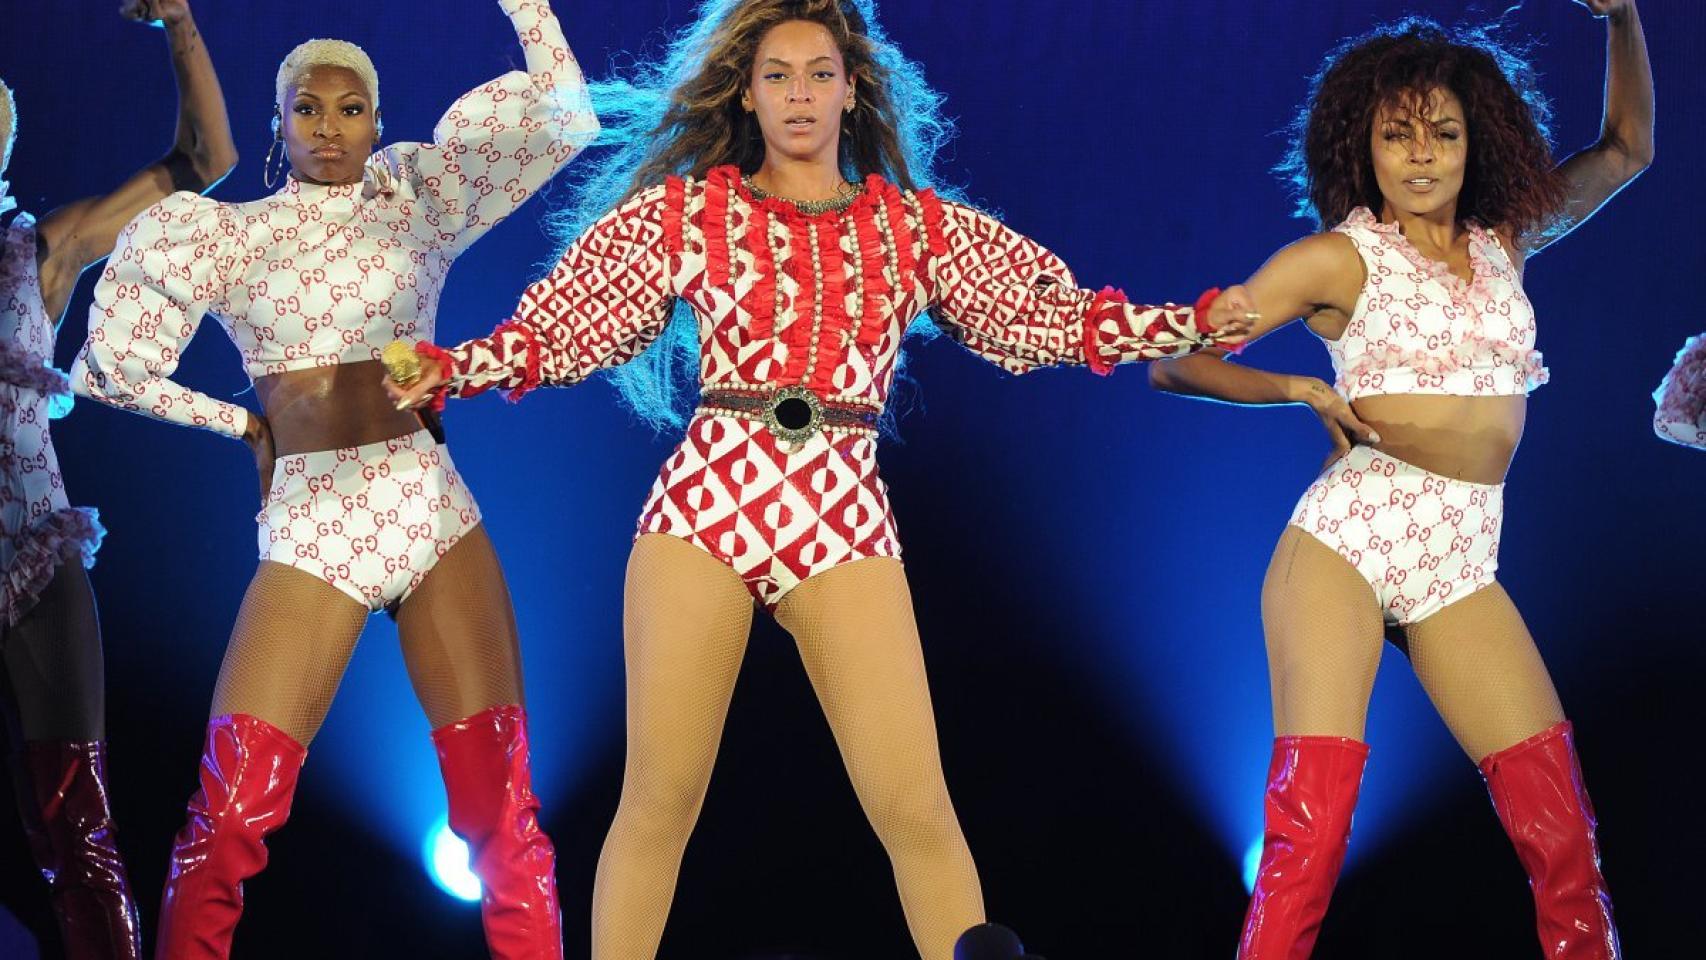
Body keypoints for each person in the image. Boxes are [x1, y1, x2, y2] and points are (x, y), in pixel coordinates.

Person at [387, 2, 1250, 956]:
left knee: (916, 804)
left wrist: (1190, 324)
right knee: (660, 799)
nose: (800, 95)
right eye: (778, 77)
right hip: (707, 501)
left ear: (852, 89)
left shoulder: (911, 229)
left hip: (841, 510)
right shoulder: (692, 212)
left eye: (819, 75)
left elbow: (1053, 318)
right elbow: (569, 326)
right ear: (748, 97)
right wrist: (457, 367)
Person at [68, 2, 597, 956]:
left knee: (505, 820)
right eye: (306, 108)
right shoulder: (224, 236)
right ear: (279, 123)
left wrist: (525, 5)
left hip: (429, 506)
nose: (328, 125)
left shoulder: (418, 197)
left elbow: (563, 116)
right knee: (228, 819)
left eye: (351, 109)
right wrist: (243, 423)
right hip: (314, 526)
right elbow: (107, 371)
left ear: (376, 119)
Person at [1148, 4, 1651, 957]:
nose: (1421, 157)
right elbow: (1175, 362)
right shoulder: (1339, 257)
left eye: (1444, 134)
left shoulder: (1509, 244)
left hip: (1460, 559)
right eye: (1396, 136)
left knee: (1563, 835)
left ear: (1477, 142)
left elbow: (1626, 149)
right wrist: (1295, 386)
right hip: (1348, 543)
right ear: (1362, 147)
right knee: (1314, 832)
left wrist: (1623, 16)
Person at [2, 2, 236, 956]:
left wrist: (175, 19)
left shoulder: (40, 252)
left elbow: (205, 157)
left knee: (75, 825)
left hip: (31, 554)